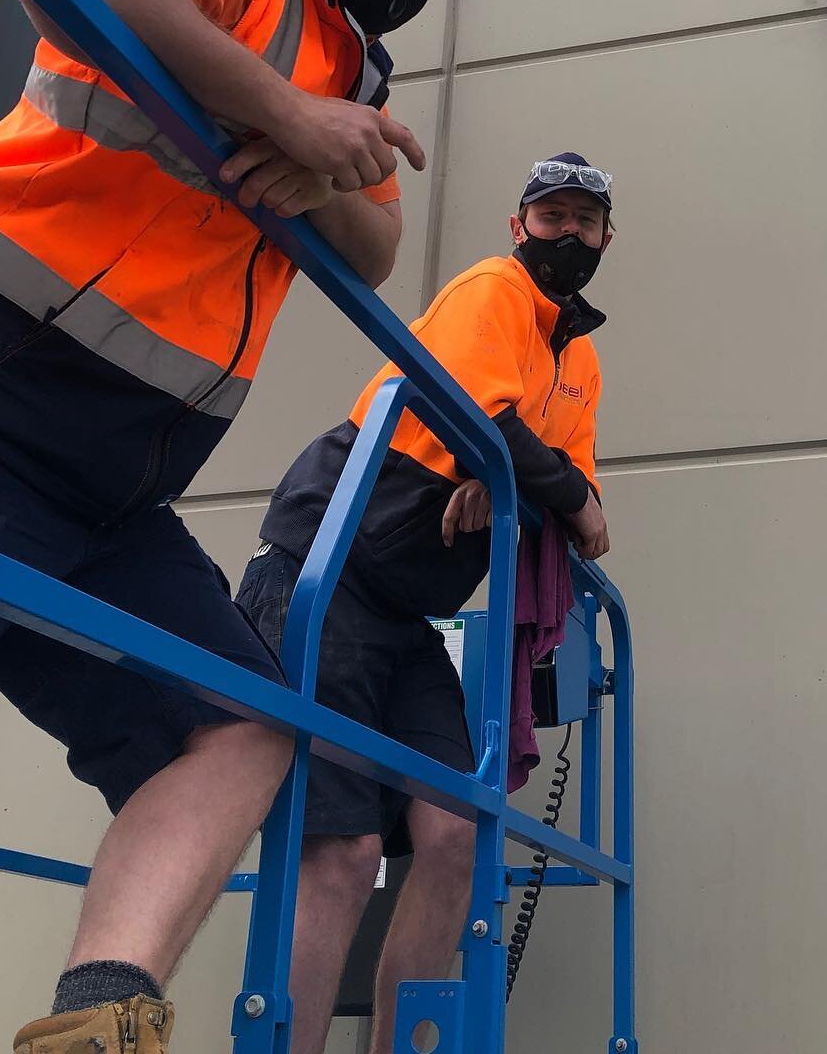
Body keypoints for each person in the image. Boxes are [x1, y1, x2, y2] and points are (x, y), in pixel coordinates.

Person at [0, 0, 503, 1054]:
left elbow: (375, 248)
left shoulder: (359, 84)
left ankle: (102, 1020)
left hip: (110, 487)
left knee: (249, 720)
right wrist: (278, 106)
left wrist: (319, 157)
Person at [236, 154, 615, 1054]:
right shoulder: (493, 288)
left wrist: (514, 477)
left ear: (606, 238)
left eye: (584, 221)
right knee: (344, 853)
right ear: (517, 225)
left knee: (455, 835)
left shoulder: (580, 356)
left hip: (407, 616)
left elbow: (581, 505)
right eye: (549, 215)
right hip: (323, 573)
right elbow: (490, 426)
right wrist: (514, 465)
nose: (566, 233)